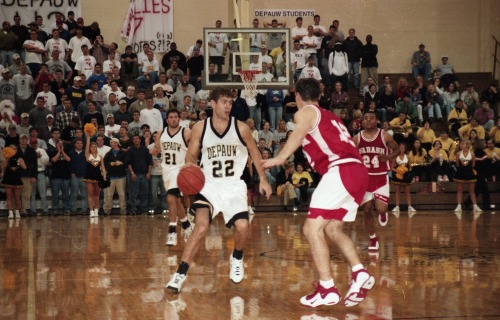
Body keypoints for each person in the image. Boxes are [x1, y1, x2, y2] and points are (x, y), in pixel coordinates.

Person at [262, 79, 373, 308]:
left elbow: (299, 132)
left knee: (311, 229)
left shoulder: (306, 113)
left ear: (298, 97)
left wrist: (280, 158)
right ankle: (359, 272)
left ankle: (327, 288)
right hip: (357, 172)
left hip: (341, 170)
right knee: (332, 228)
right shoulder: (329, 115)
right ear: (319, 96)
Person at [166, 88, 272, 293]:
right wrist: (191, 166)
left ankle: (237, 257)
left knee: (242, 226)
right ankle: (179, 275)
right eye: (223, 102)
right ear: (212, 103)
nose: (227, 106)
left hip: (233, 185)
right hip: (210, 184)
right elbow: (190, 155)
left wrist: (264, 180)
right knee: (201, 227)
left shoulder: (241, 128)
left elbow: (255, 154)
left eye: (230, 103)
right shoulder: (200, 128)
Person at [353, 111, 399, 252]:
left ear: (377, 120)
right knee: (366, 211)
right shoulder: (356, 138)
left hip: (380, 176)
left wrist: (388, 157)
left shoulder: (385, 136)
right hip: (364, 179)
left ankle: (383, 213)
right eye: (365, 118)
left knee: (381, 208)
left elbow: (397, 150)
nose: (368, 120)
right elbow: (351, 155)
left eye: (371, 118)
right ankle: (373, 239)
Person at [151, 109, 194, 246]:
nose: (174, 119)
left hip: (180, 170)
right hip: (166, 170)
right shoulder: (160, 133)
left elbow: (195, 146)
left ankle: (172, 231)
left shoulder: (185, 132)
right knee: (175, 202)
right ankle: (187, 225)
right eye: (171, 117)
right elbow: (157, 149)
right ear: (167, 120)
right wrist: (155, 151)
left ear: (179, 119)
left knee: (170, 198)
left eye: (176, 117)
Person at [453, 139, 482, 214]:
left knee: (472, 190)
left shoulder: (472, 154)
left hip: (469, 173)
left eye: (464, 144)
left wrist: (468, 168)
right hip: (460, 172)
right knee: (459, 189)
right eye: (461, 144)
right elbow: (457, 164)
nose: (462, 145)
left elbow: (473, 165)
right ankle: (459, 206)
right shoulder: (458, 154)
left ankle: (475, 206)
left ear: (468, 145)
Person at [83, 133, 107, 217]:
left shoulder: (100, 157)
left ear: (96, 148)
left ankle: (96, 210)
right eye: (91, 147)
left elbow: (103, 168)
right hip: (89, 177)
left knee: (97, 195)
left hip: (98, 177)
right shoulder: (88, 156)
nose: (93, 148)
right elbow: (87, 145)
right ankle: (91, 211)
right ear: (89, 148)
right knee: (90, 194)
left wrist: (104, 177)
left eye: (94, 147)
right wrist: (88, 137)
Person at [390, 143, 417, 215]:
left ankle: (409, 206)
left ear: (405, 149)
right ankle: (397, 206)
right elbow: (392, 168)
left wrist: (406, 171)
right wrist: (398, 171)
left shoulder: (407, 157)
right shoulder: (395, 157)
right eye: (400, 148)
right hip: (398, 176)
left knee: (407, 192)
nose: (402, 149)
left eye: (403, 148)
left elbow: (410, 167)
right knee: (397, 192)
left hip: (405, 176)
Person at [1, 145, 26, 219]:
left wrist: (20, 163)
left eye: (15, 149)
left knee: (17, 197)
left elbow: (25, 167)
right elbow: (3, 168)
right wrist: (6, 159)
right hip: (8, 179)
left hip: (17, 179)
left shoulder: (20, 158)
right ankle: (10, 212)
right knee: (9, 197)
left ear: (17, 150)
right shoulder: (6, 158)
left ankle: (17, 211)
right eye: (12, 148)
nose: (13, 150)